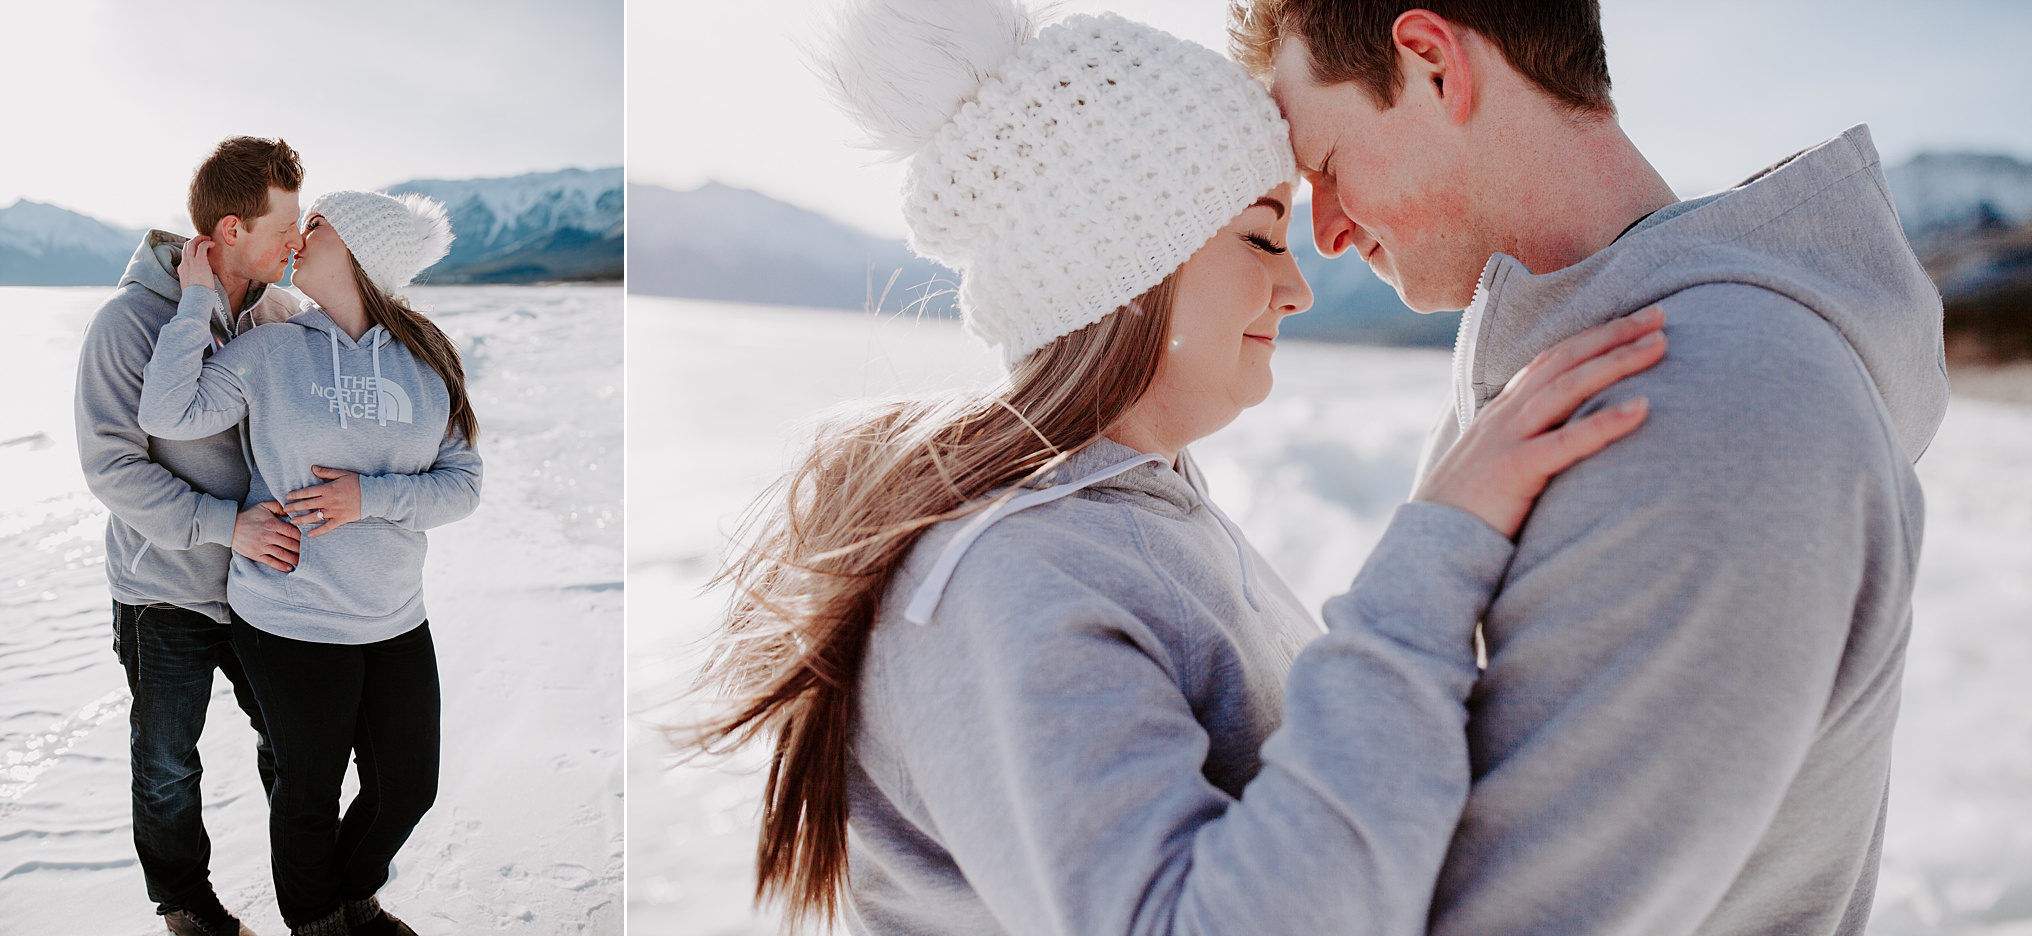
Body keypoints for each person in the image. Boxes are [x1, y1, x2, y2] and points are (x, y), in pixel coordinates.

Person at [686, 2, 1666, 933]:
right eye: (1257, 235)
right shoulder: (1006, 579)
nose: (1294, 288)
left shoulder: (1136, 517)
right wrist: (1437, 550)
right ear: (1125, 267)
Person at [1228, 0, 1948, 932]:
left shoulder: (1704, 401)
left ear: (1432, 62)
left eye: (1324, 166)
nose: (1322, 232)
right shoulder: (1580, 370)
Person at [137, 189, 482, 936]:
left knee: (407, 789)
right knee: (307, 794)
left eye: (316, 226)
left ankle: (351, 895)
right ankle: (319, 921)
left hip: (394, 616)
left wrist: (371, 498)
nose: (299, 236)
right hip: (290, 617)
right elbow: (167, 415)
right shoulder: (267, 351)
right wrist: (195, 302)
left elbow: (464, 485)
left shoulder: (427, 359)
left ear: (359, 256)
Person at [74, 135, 308, 936]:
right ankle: (187, 910)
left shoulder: (279, 312)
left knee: (295, 746)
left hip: (265, 585)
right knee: (168, 765)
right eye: (286, 225)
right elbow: (110, 467)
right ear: (233, 230)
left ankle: (314, 898)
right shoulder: (127, 322)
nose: (297, 241)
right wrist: (222, 526)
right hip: (161, 590)